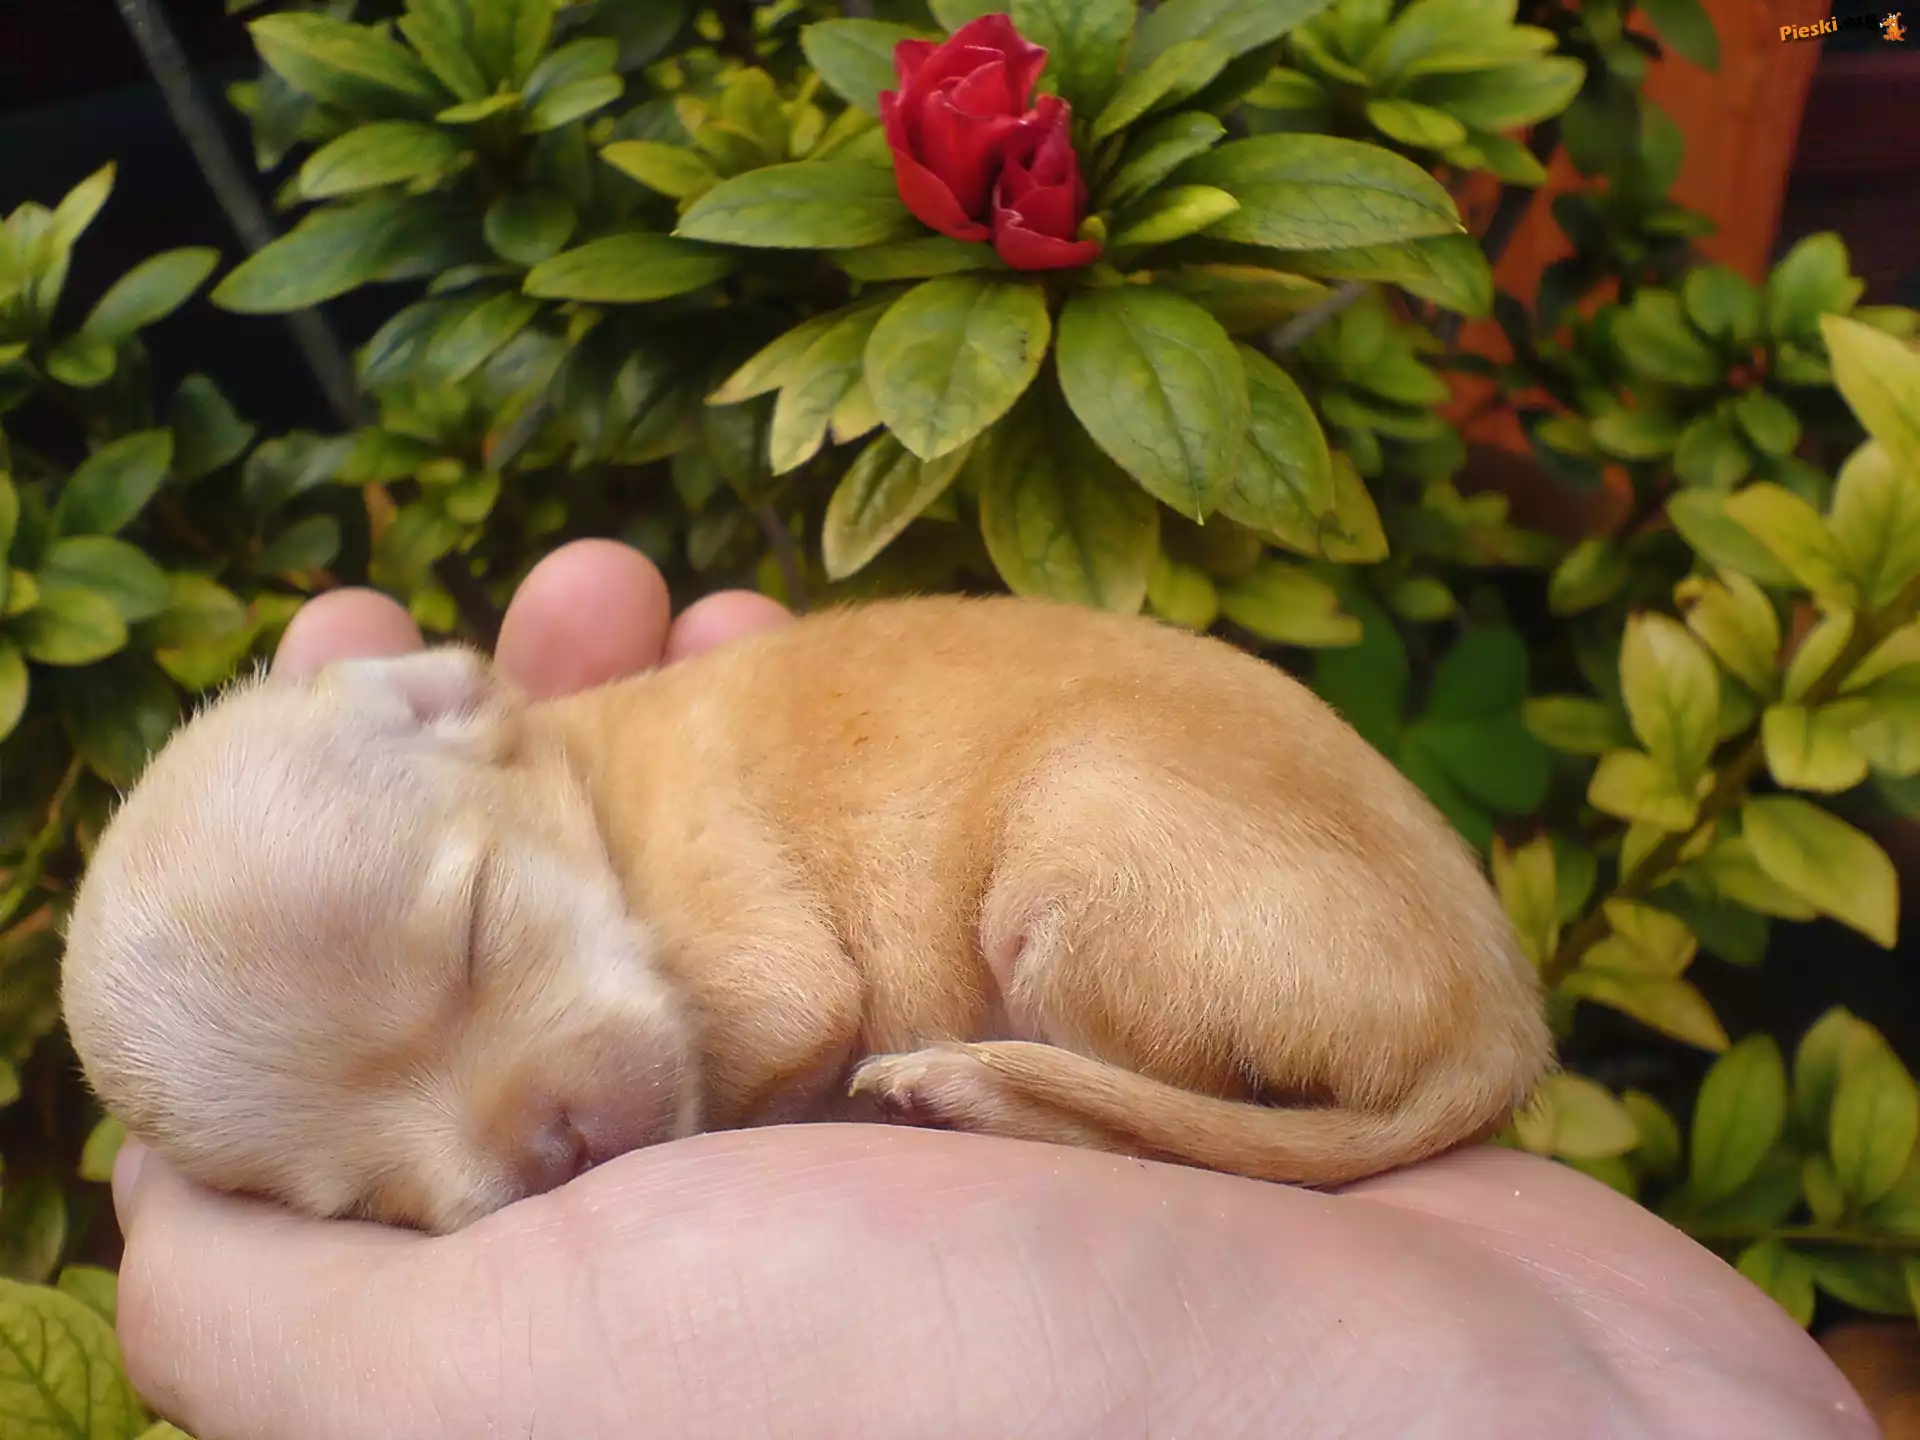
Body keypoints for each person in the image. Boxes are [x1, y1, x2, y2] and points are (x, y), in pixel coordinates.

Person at [109, 538, 1875, 1440]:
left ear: (458, 713)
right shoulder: (512, 824)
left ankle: (1190, 1091)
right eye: (373, 1182)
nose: (509, 1142)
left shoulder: (655, 772)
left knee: (1084, 855)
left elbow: (797, 993)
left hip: (1275, 922)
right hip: (1320, 973)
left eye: (478, 943)